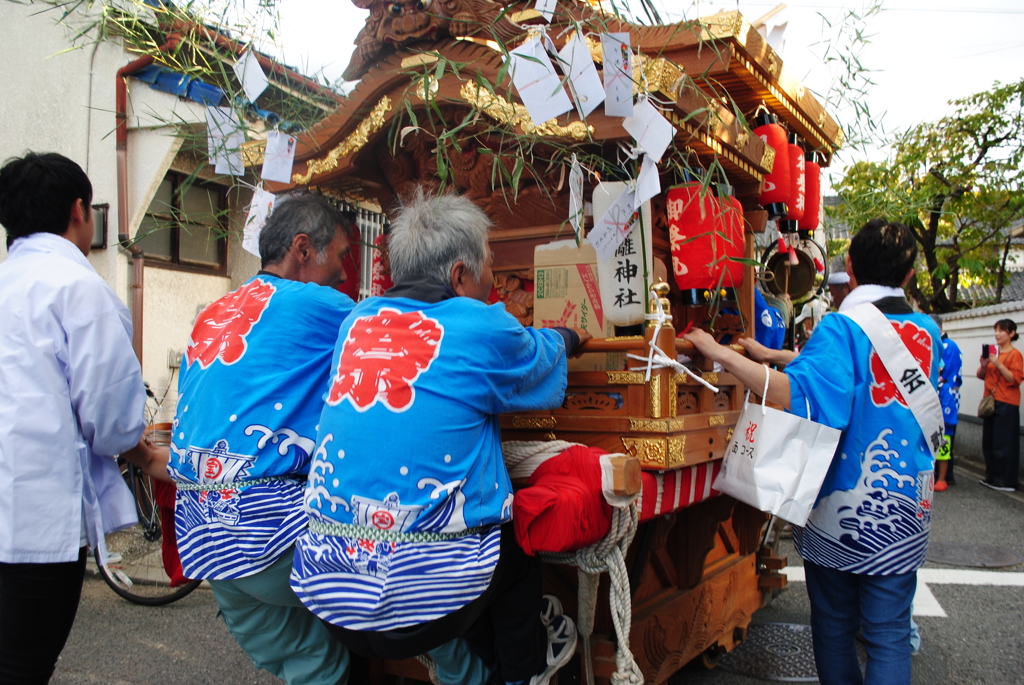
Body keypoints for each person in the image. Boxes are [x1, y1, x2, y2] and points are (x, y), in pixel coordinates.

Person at [290, 191, 590, 685]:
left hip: (327, 595)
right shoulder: (479, 321)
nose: (493, 282)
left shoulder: (356, 322)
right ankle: (524, 673)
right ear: (459, 275)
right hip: (421, 609)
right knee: (513, 553)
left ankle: (481, 664)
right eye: (489, 268)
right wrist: (574, 336)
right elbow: (542, 352)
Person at [685, 218, 941, 685]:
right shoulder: (929, 332)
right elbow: (858, 371)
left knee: (835, 628)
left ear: (850, 267)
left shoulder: (840, 328)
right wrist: (773, 354)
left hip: (840, 514)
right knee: (888, 634)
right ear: (908, 275)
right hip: (906, 510)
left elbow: (793, 392)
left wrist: (720, 353)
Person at [130, 194, 356, 685]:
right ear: (302, 249)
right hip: (274, 534)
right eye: (339, 256)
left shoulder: (214, 313)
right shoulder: (324, 306)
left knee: (313, 663)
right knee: (426, 583)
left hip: (203, 537)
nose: (344, 273)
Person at [0, 152, 156, 683]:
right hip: (34, 523)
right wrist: (145, 452)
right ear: (78, 211)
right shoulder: (79, 289)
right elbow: (109, 418)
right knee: (23, 665)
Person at [977, 319, 1024, 492]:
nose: (997, 334)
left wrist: (997, 363)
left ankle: (1006, 480)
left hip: (1007, 402)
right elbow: (982, 375)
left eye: (1001, 330)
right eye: (995, 330)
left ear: (1011, 334)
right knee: (988, 441)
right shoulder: (992, 353)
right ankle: (991, 476)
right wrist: (984, 365)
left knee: (1004, 443)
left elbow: (1014, 379)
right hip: (990, 401)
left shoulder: (1015, 355)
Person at [931, 315, 962, 491]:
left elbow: (949, 375)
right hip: (936, 394)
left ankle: (944, 476)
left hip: (945, 395)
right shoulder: (936, 344)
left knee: (945, 439)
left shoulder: (949, 346)